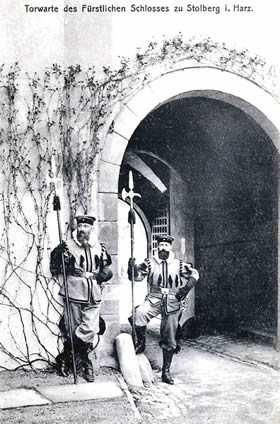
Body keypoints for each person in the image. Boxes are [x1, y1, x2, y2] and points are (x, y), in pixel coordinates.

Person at [128, 235, 199, 385]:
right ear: (157, 247)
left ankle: (166, 371)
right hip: (154, 296)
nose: (163, 248)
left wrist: (184, 290)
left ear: (170, 248)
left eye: (166, 246)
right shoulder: (149, 262)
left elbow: (194, 275)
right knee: (139, 313)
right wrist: (132, 268)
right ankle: (141, 342)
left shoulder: (179, 264)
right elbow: (138, 277)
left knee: (169, 335)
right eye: (161, 245)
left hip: (172, 299)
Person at [50, 215, 113, 382]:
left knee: (90, 329)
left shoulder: (100, 248)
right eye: (81, 227)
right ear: (76, 228)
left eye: (86, 227)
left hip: (93, 290)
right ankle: (84, 362)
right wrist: (60, 258)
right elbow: (55, 268)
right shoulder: (67, 246)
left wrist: (104, 275)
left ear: (92, 229)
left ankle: (66, 355)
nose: (83, 230)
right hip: (74, 289)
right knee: (72, 327)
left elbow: (107, 268)